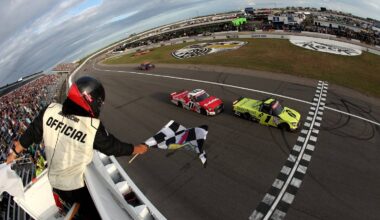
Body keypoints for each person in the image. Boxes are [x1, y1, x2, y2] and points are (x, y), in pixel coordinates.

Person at [6, 76, 148, 219]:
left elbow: (29, 135)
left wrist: (13, 154)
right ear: (89, 100)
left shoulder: (50, 110)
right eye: (99, 102)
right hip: (75, 186)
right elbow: (113, 147)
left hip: (55, 183)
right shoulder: (91, 127)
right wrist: (137, 149)